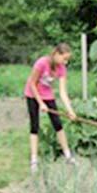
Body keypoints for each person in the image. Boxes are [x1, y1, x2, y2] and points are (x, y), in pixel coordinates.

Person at [24, 43, 78, 172]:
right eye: (64, 59)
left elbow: (63, 93)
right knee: (34, 126)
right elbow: (32, 83)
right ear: (56, 54)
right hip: (32, 94)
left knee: (58, 124)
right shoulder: (42, 63)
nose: (65, 62)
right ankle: (34, 160)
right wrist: (40, 103)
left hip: (47, 95)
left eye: (67, 60)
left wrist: (70, 111)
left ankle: (68, 156)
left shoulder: (61, 68)